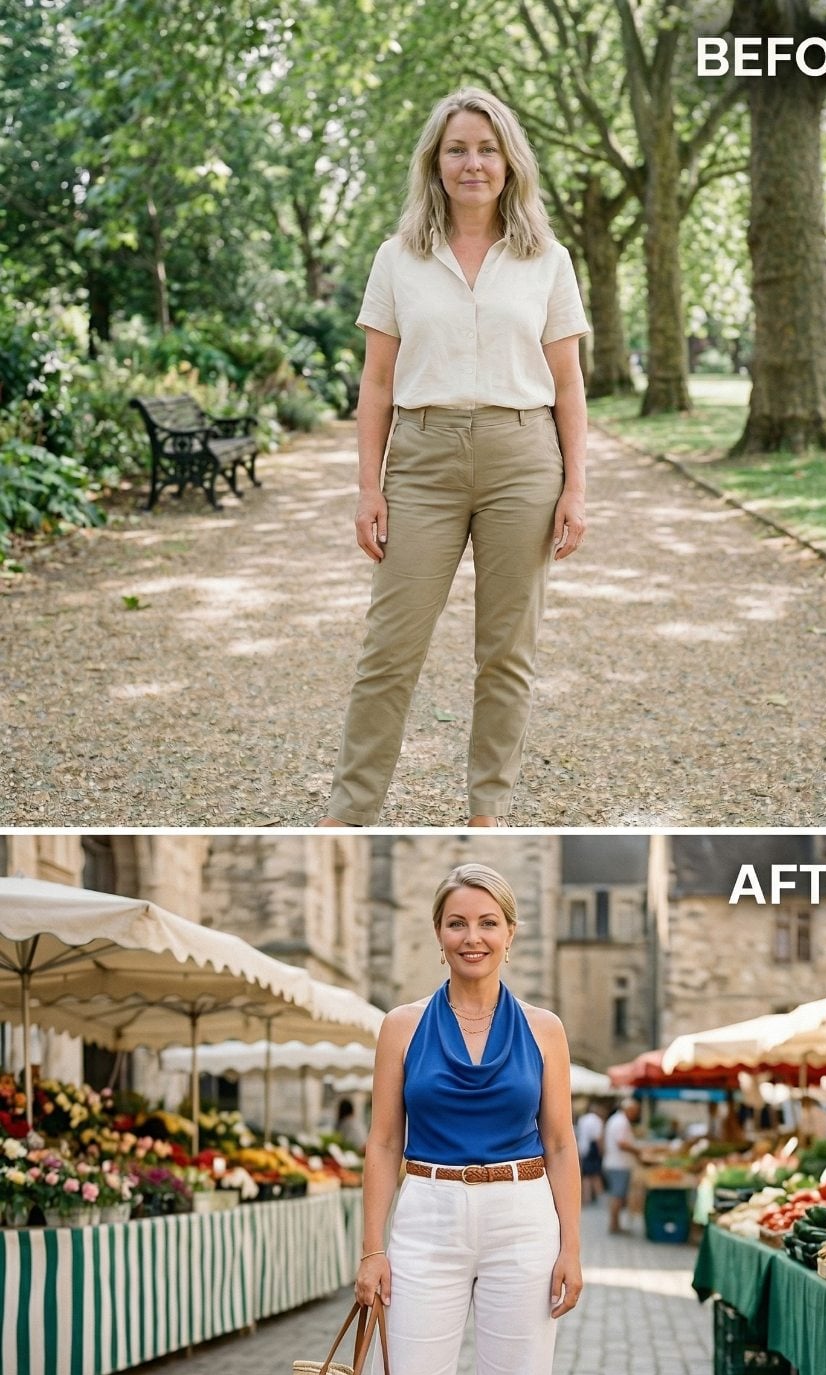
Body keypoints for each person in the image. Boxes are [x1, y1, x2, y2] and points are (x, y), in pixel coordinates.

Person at [292, 863, 582, 1375]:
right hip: (426, 1211)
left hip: (523, 1215)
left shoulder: (546, 1029)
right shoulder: (402, 1024)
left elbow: (561, 1141)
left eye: (488, 922)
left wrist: (571, 1248)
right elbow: (383, 1141)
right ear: (438, 932)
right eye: (459, 922)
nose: (473, 936)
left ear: (511, 933)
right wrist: (371, 1249)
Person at [317, 86, 590, 829]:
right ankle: (350, 812)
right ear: (435, 164)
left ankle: (488, 813)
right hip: (423, 456)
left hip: (523, 456)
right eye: (457, 149)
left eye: (487, 149)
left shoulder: (548, 260)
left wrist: (576, 489)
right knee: (390, 649)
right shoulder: (398, 258)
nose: (473, 163)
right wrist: (366, 489)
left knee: (506, 653)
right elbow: (376, 383)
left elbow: (567, 382)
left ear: (510, 162)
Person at [602, 1097, 641, 1234]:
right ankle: (614, 1225)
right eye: (635, 1111)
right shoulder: (620, 1122)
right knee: (617, 1196)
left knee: (617, 1195)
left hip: (615, 1163)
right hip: (618, 1164)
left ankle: (615, 1224)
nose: (636, 1114)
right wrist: (638, 1151)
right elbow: (622, 1143)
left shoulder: (617, 1120)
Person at [574, 1101, 604, 1203]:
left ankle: (587, 1197)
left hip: (582, 1148)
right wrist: (601, 1152)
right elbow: (598, 1138)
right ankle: (599, 1197)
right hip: (592, 1149)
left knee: (586, 1175)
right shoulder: (597, 1121)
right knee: (595, 1174)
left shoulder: (583, 1119)